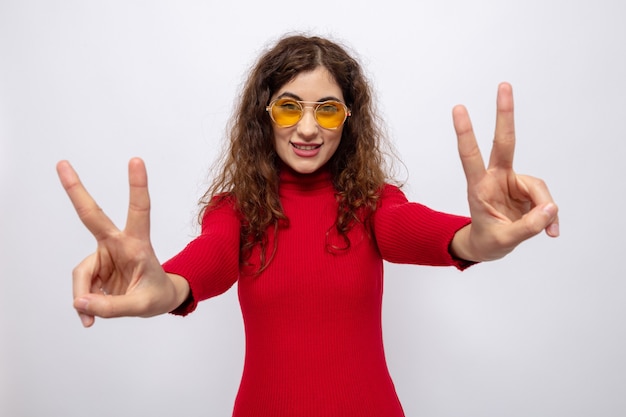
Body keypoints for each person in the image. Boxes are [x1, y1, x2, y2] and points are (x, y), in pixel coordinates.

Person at [56, 35, 559, 417]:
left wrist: (480, 238)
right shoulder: (235, 212)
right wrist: (160, 286)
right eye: (290, 107)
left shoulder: (372, 205)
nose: (307, 128)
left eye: (328, 109)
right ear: (265, 114)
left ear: (349, 119)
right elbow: (201, 265)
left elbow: (425, 230)